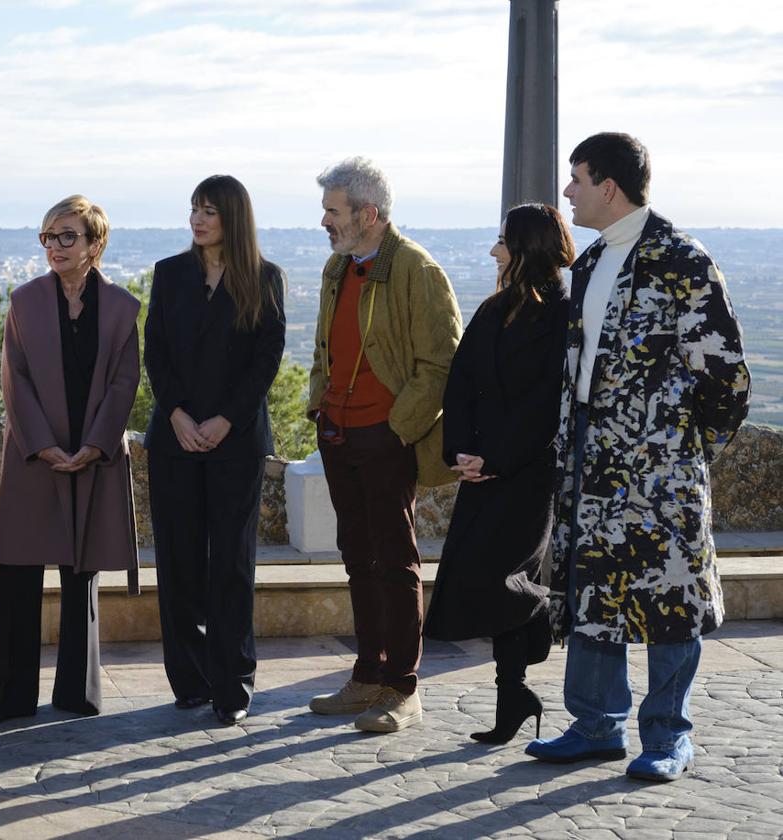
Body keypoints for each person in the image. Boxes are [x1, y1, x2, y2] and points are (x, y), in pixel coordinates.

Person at [525, 133, 750, 782]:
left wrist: (678, 453)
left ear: (608, 186)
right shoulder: (590, 264)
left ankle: (666, 737)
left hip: (659, 477)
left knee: (670, 601)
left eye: (576, 178)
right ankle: (594, 727)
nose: (566, 191)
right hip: (588, 471)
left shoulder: (681, 260)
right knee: (593, 594)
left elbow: (726, 378)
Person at [306, 156, 461, 734]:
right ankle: (367, 675)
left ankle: (402, 687)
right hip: (339, 434)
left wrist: (396, 427)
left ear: (368, 214)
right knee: (357, 556)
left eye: (333, 211)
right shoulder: (336, 267)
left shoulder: (417, 269)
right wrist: (319, 408)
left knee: (395, 562)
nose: (324, 222)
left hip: (386, 437)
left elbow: (441, 361)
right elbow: (328, 348)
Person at [0, 195, 141, 723]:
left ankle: (77, 694)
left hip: (92, 454)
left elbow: (124, 381)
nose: (55, 246)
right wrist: (44, 444)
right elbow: (14, 378)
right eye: (49, 236)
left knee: (81, 573)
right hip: (34, 455)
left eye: (68, 236)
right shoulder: (24, 302)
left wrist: (94, 444)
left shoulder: (120, 307)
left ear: (95, 244)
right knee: (19, 574)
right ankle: (7, 699)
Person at [424, 203, 574, 743]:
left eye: (502, 242)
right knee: (486, 584)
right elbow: (460, 383)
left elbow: (545, 404)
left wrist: (497, 459)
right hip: (482, 472)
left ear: (527, 247)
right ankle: (512, 696)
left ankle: (536, 633)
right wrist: (461, 452)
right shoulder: (493, 308)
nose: (494, 251)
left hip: (524, 475)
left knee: (509, 583)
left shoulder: (563, 314)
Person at [144, 174, 285, 726]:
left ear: (233, 217)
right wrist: (177, 414)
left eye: (209, 211)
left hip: (236, 442)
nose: (198, 220)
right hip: (173, 439)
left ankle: (233, 684)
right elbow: (155, 350)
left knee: (231, 563)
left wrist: (226, 420)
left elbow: (267, 357)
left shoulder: (265, 278)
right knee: (178, 561)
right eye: (194, 210)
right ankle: (189, 679)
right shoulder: (169, 274)